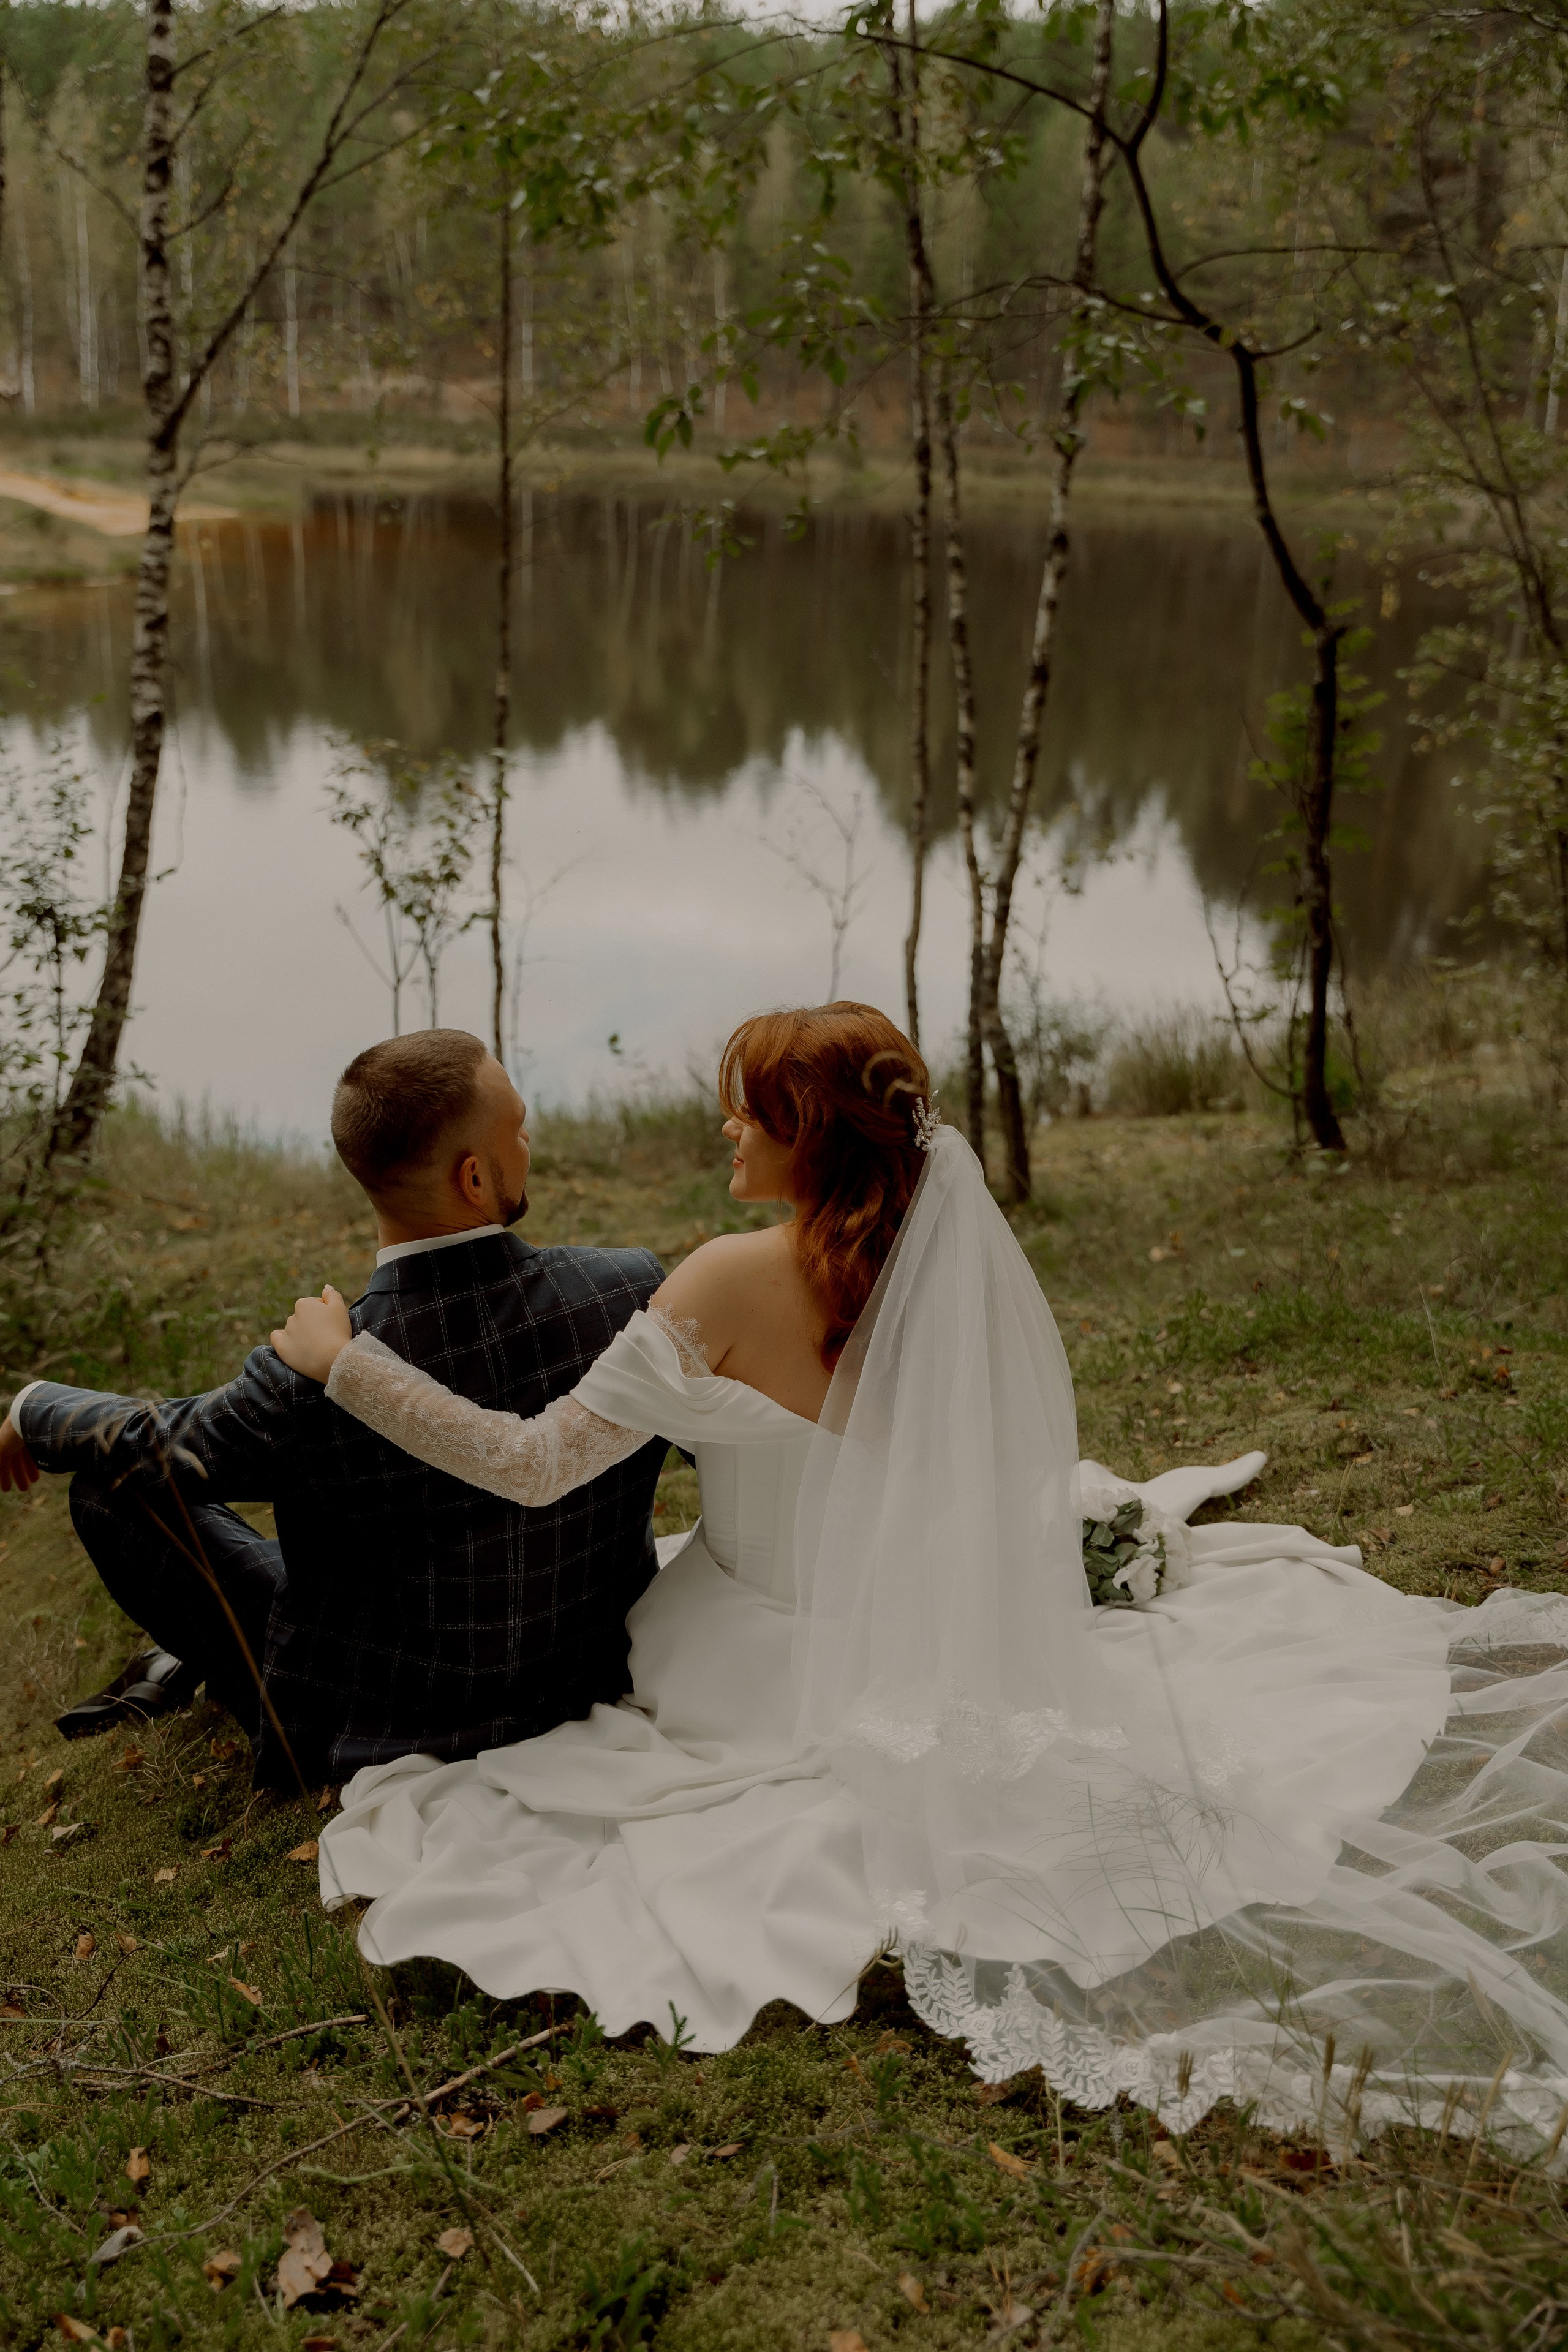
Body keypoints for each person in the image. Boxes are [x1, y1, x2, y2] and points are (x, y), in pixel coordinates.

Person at [273, 1001, 1568, 2155]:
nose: (726, 1123)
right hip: (912, 1631)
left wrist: (347, 1366)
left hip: (750, 1663)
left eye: (752, 1107)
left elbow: (536, 1463)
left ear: (811, 1134)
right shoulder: (922, 1264)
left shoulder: (724, 1279)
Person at [0, 1031, 667, 1785]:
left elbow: (157, 1445)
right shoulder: (627, 1291)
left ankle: (193, 1661)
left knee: (107, 1487)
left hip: (380, 1715)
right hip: (591, 1670)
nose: (529, 1137)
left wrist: (34, 1407)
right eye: (518, 1124)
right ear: (474, 1178)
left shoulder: (303, 1376)